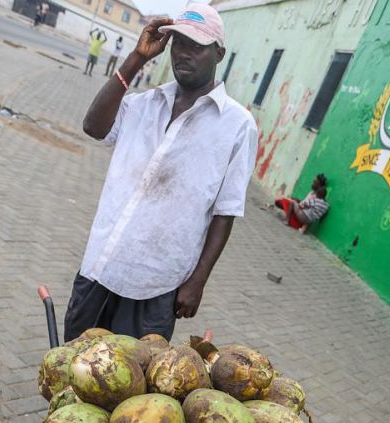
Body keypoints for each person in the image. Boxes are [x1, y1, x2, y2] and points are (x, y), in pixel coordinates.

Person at [64, 3, 258, 342]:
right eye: (179, 43)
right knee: (72, 369)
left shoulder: (238, 126)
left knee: (133, 388)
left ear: (219, 53)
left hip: (157, 287)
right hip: (101, 266)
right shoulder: (144, 103)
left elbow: (225, 212)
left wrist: (198, 280)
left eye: (196, 46)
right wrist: (137, 58)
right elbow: (93, 127)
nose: (184, 53)